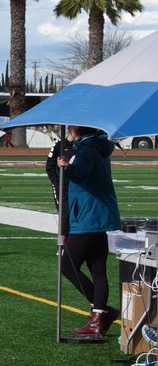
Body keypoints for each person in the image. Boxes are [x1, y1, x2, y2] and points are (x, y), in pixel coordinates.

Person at [56, 125, 122, 336]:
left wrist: (66, 166)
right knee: (98, 269)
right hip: (100, 215)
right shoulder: (99, 146)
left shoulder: (86, 150)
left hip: (88, 216)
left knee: (67, 266)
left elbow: (81, 173)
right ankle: (99, 315)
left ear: (76, 130)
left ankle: (100, 314)